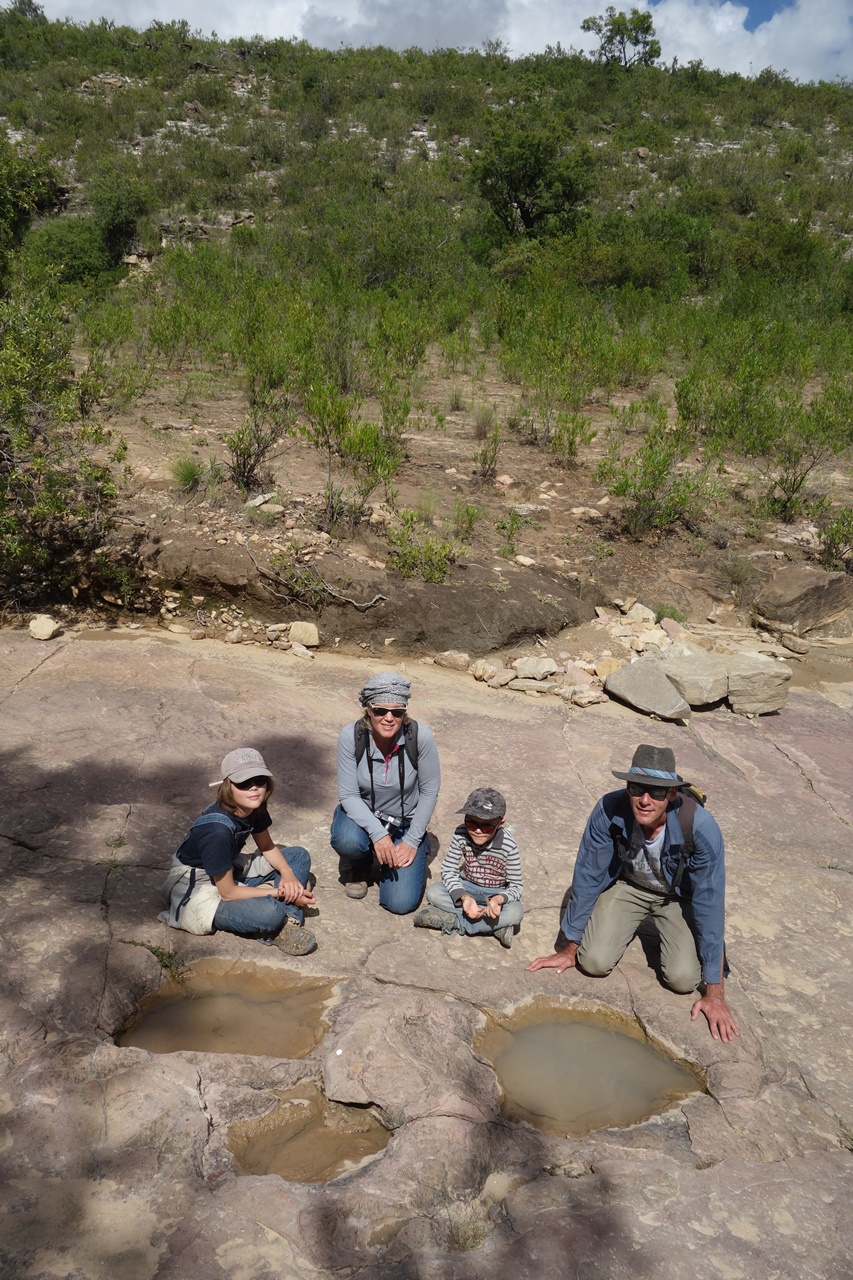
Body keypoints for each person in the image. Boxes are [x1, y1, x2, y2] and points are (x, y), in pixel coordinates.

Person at [526, 744, 738, 1042]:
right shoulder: (609, 809)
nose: (645, 799)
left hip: (678, 898)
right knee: (593, 962)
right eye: (637, 788)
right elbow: (588, 875)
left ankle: (691, 946)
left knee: (682, 980)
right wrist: (569, 947)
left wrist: (715, 993)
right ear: (627, 788)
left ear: (673, 795)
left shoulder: (701, 828)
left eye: (658, 792)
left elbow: (710, 903)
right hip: (630, 886)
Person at [159, 747, 317, 955]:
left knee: (297, 855)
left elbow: (267, 847)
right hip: (198, 888)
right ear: (228, 786)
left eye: (259, 780)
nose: (253, 788)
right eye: (243, 783)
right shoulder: (217, 831)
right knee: (269, 912)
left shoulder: (254, 806)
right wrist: (281, 892)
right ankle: (278, 921)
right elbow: (228, 893)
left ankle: (286, 921)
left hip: (228, 869)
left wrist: (288, 877)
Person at [331, 672, 440, 914]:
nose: (388, 718)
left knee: (400, 904)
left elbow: (430, 790)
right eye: (380, 710)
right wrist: (378, 835)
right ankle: (358, 864)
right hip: (365, 817)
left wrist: (412, 841)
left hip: (404, 823)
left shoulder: (420, 737)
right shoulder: (352, 737)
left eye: (397, 712)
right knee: (347, 839)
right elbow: (348, 794)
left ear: (404, 713)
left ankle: (393, 855)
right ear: (368, 710)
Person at [414, 786, 523, 948]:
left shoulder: (508, 845)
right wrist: (464, 898)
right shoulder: (460, 833)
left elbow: (517, 887)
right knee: (434, 892)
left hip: (495, 893)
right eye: (471, 823)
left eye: (486, 826)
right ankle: (493, 927)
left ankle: (455, 921)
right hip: (467, 887)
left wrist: (500, 899)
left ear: (500, 824)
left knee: (515, 912)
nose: (478, 831)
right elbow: (449, 870)